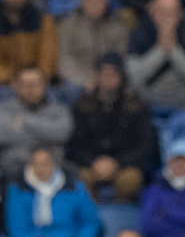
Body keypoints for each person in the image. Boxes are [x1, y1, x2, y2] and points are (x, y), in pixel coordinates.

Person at [67, 54, 156, 203]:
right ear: (96, 76)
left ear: (122, 77)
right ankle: (88, 219)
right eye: (104, 74)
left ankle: (122, 221)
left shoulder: (136, 106)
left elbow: (146, 144)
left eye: (113, 74)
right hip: (90, 163)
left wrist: (118, 163)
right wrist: (93, 162)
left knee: (130, 179)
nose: (108, 78)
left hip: (125, 164)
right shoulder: (82, 105)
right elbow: (73, 144)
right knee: (81, 178)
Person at [4, 148, 101, 237]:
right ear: (29, 166)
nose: (41, 168)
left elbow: (90, 222)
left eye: (45, 164)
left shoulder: (75, 188)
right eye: (36, 164)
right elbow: (17, 227)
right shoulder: (18, 190)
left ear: (53, 165)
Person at [126, 0, 185, 114]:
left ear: (180, 14)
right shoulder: (139, 32)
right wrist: (160, 50)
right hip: (150, 90)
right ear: (152, 12)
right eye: (162, 12)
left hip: (181, 90)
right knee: (130, 92)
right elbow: (134, 75)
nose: (167, 18)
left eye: (172, 13)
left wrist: (173, 50)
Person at [0, 66, 74, 178]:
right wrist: (46, 131)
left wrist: (23, 121)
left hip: (54, 165)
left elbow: (63, 134)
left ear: (45, 85)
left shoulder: (59, 110)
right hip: (15, 166)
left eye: (35, 84)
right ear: (15, 86)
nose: (31, 89)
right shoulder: (3, 109)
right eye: (25, 84)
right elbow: (0, 135)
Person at [0, 0, 59, 87]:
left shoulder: (44, 21)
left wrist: (37, 79)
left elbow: (47, 57)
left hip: (40, 82)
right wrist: (15, 81)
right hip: (8, 84)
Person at [56, 0, 130, 92]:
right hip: (79, 79)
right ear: (82, 1)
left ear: (106, 2)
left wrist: (105, 79)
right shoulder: (68, 26)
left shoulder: (118, 26)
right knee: (72, 90)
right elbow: (65, 59)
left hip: (110, 78)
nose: (94, 4)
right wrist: (83, 80)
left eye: (99, 0)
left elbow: (121, 57)